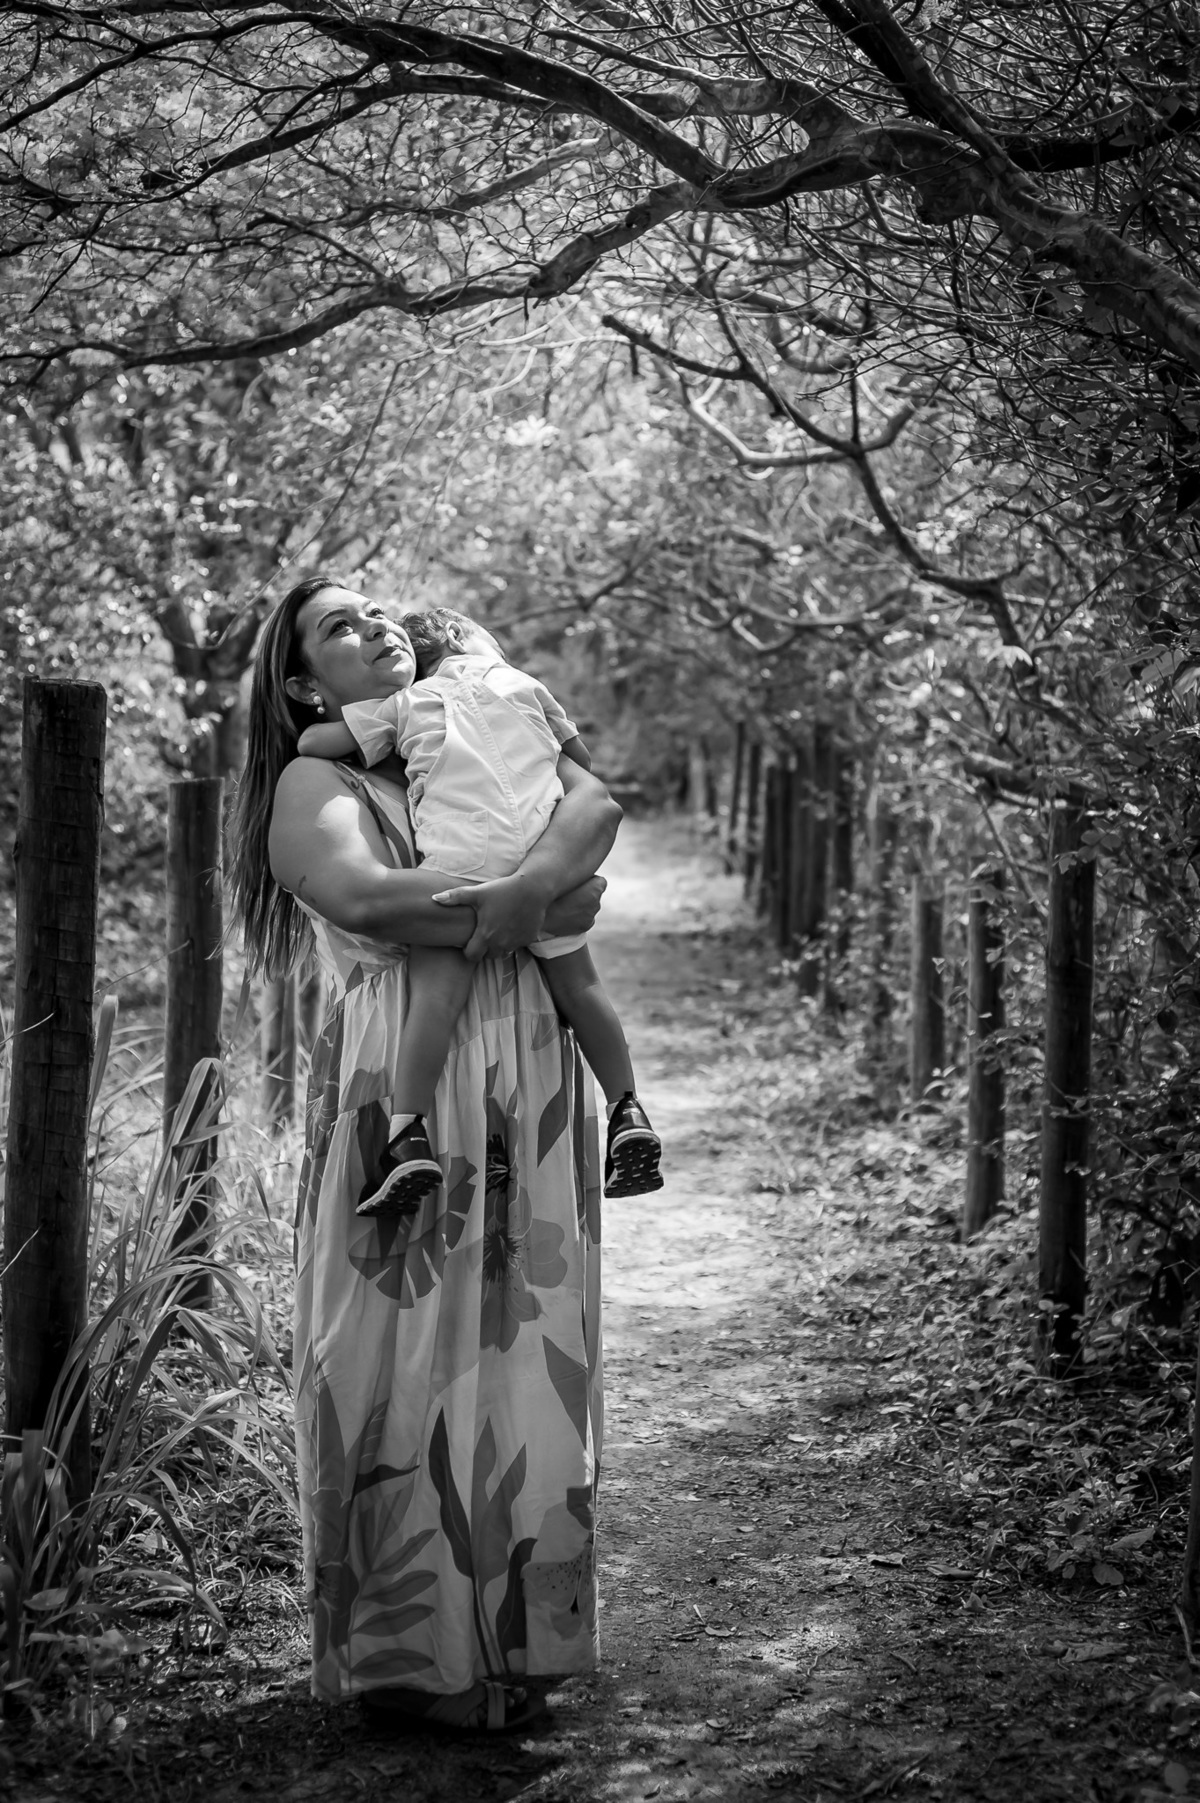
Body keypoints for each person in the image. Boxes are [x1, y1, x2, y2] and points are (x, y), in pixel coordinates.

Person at [230, 577, 619, 1731]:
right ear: (305, 683)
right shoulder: (320, 779)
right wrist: (532, 903)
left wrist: (545, 879)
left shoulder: (469, 732)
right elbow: (361, 897)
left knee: (526, 1349)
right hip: (405, 1090)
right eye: (337, 628)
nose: (374, 629)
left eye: (379, 611)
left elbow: (592, 798)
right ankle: (411, 1662)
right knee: (394, 1357)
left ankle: (523, 1648)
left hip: (536, 1085)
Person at [294, 604, 662, 1217]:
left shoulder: (407, 706)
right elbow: (586, 772)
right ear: (469, 640)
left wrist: (380, 741)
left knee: (436, 999)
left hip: (461, 857)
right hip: (539, 846)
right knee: (584, 985)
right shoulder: (521, 686)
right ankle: (628, 1107)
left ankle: (407, 1133)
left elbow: (315, 740)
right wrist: (539, 898)